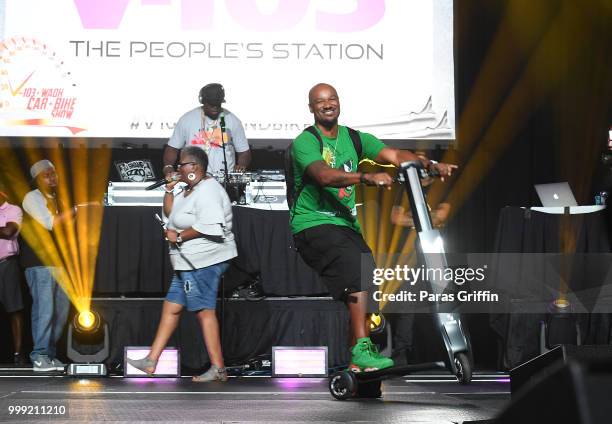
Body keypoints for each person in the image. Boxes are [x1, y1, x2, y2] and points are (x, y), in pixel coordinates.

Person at [290, 83, 457, 371]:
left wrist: (428, 164)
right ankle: (362, 349)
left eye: (332, 99)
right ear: (311, 108)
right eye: (320, 101)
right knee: (357, 271)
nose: (327, 104)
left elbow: (393, 155)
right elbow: (325, 176)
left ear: (339, 102)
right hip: (313, 223)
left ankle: (357, 364)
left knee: (367, 281)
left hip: (344, 226)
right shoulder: (305, 142)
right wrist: (366, 178)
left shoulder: (355, 138)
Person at [128, 146, 237, 382]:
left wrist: (178, 236)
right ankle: (151, 361)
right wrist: (168, 191)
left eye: (182, 165)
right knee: (172, 306)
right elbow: (172, 214)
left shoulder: (208, 190)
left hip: (204, 261)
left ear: (195, 167)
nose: (177, 169)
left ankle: (218, 368)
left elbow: (210, 225)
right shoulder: (189, 189)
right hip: (187, 262)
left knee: (203, 311)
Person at [21, 160, 75, 372]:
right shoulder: (32, 197)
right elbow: (49, 223)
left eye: (54, 174)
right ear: (37, 179)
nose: (52, 178)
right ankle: (39, 354)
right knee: (45, 310)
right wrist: (75, 211)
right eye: (46, 175)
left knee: (60, 312)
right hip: (39, 263)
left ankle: (50, 355)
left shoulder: (60, 200)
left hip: (60, 263)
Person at [163, 83, 251, 180]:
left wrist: (241, 166)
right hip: (193, 179)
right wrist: (168, 167)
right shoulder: (187, 119)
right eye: (211, 104)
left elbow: (244, 152)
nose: (215, 107)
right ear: (203, 101)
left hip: (224, 181)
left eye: (217, 104)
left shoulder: (233, 120)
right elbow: (172, 148)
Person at [0, 182, 25, 365]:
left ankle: (18, 354)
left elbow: (9, 231)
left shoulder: (13, 210)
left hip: (6, 264)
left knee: (14, 309)